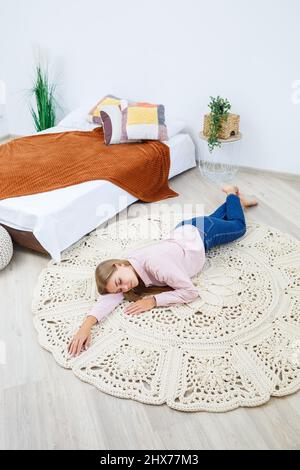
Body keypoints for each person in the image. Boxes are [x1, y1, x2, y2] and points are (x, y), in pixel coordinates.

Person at [68, 185, 258, 357]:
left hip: (203, 234)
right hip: (184, 231)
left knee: (238, 227)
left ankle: (232, 194)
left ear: (119, 265)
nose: (125, 288)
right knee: (212, 219)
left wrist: (154, 300)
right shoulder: (131, 266)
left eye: (120, 282)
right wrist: (86, 327)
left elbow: (190, 292)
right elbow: (109, 297)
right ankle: (235, 203)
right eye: (120, 290)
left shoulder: (157, 265)